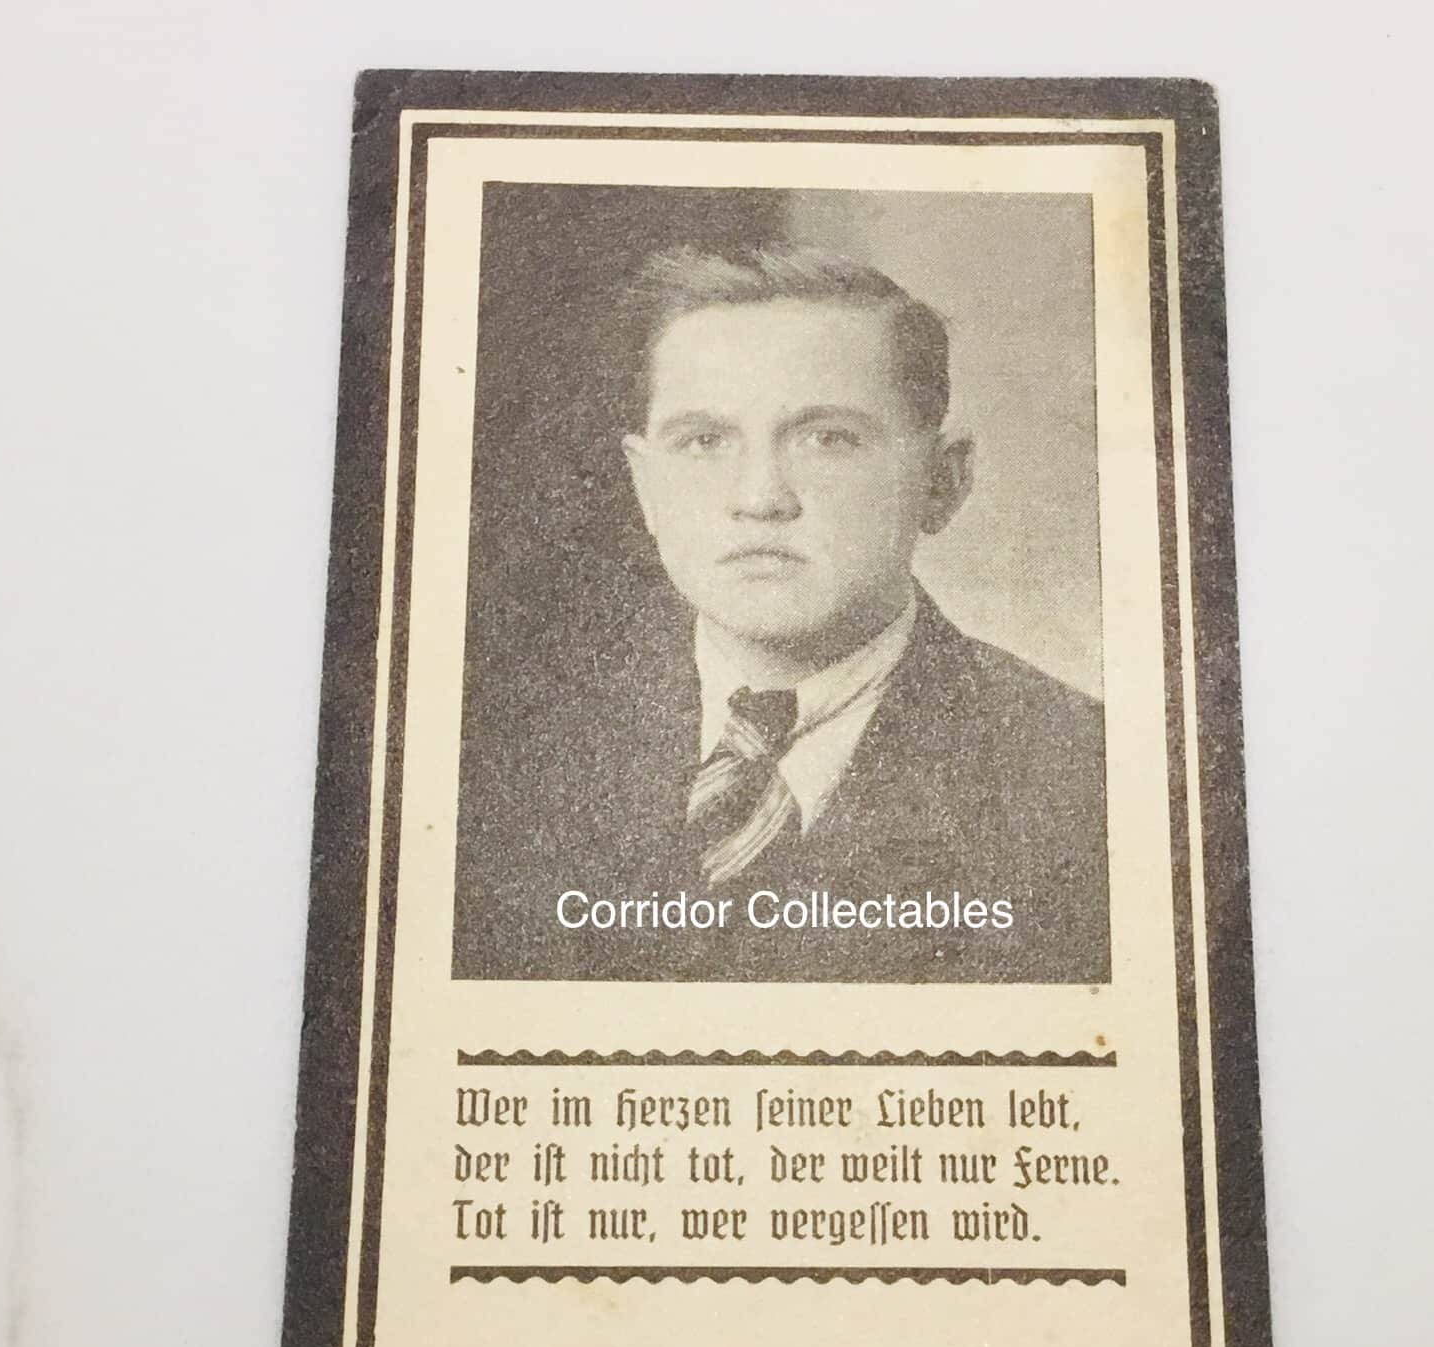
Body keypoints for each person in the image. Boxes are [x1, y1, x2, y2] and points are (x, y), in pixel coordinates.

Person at [452, 243, 1108, 984]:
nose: (760, 498)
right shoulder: (496, 764)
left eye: (828, 439)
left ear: (941, 481)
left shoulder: (1088, 781)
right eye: (704, 441)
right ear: (645, 488)